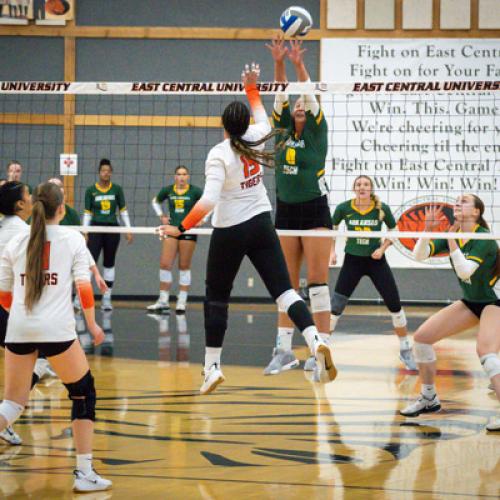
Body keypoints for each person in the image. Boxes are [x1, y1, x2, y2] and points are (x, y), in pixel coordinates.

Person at [160, 62, 336, 394]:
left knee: (217, 297)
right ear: (244, 125)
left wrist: (179, 227)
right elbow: (261, 114)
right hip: (261, 223)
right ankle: (314, 341)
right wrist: (252, 87)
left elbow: (209, 201)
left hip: (230, 231)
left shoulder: (218, 154)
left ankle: (212, 367)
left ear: (223, 126)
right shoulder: (257, 136)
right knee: (285, 292)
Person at [0, 182, 112, 491]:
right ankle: (85, 473)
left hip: (19, 328)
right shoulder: (72, 238)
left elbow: (4, 296)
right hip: (57, 330)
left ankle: (86, 473)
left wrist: (25, 318)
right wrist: (93, 326)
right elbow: (84, 288)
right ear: (61, 209)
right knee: (83, 393)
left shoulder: (16, 241)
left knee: (12, 402)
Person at [400, 195, 500, 432]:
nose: (457, 203)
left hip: (495, 301)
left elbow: (465, 272)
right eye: (457, 201)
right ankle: (428, 398)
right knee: (422, 339)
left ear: (476, 212)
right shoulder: (454, 234)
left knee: (486, 352)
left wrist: (451, 241)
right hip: (473, 301)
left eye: (464, 201)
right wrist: (426, 230)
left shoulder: (483, 239)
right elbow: (419, 255)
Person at [264, 35, 332, 376]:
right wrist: (279, 62)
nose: (300, 106)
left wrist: (298, 63)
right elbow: (281, 91)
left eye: (304, 104)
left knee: (317, 283)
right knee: (285, 284)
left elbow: (306, 90)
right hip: (286, 210)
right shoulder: (281, 129)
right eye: (297, 105)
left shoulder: (317, 131)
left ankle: (322, 352)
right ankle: (283, 350)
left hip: (315, 211)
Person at [328, 175, 416, 370]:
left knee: (394, 303)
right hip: (352, 261)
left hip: (376, 261)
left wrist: (382, 249)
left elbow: (394, 231)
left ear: (371, 189)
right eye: (359, 184)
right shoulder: (344, 208)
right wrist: (332, 251)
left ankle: (405, 349)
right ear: (354, 188)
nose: (362, 187)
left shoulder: (381, 208)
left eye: (366, 184)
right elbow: (332, 229)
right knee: (335, 306)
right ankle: (320, 351)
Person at [149, 166, 203, 313]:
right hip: (172, 229)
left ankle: (181, 301)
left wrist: (202, 219)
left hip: (188, 230)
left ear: (188, 176)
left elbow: (209, 205)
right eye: (179, 174)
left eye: (184, 174)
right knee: (165, 264)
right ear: (175, 176)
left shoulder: (195, 191)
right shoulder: (168, 190)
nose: (181, 177)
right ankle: (163, 300)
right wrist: (162, 215)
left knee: (184, 265)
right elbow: (155, 202)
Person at [48, 177, 108, 307]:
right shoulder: (38, 215)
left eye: (59, 187)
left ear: (64, 192)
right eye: (51, 187)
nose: (56, 190)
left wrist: (96, 273)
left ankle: (76, 303)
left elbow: (80, 243)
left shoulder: (72, 214)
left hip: (65, 260)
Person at [83, 158, 133, 311]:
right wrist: (85, 231)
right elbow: (87, 213)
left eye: (108, 171)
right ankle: (82, 299)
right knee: (89, 264)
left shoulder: (116, 189)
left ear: (111, 173)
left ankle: (107, 298)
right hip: (96, 229)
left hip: (112, 229)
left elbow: (123, 210)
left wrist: (128, 229)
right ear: (99, 173)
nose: (105, 173)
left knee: (109, 263)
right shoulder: (90, 190)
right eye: (103, 170)